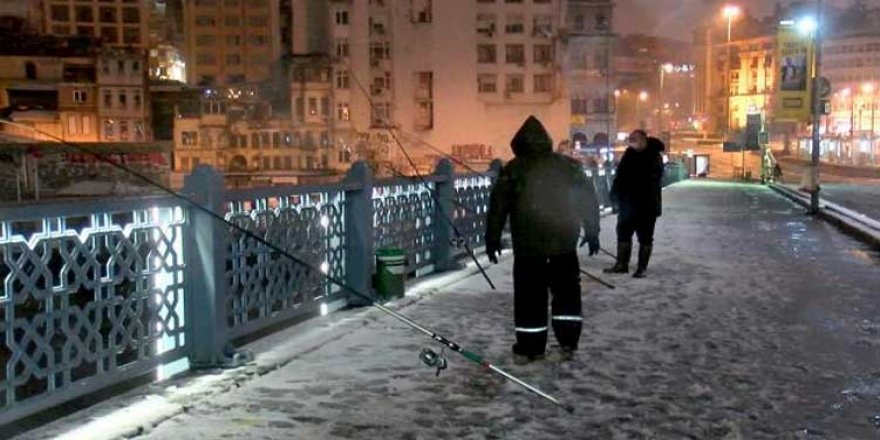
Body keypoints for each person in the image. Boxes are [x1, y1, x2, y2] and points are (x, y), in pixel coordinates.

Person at [485, 116, 601, 364]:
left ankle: (530, 346)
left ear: (519, 143)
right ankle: (569, 340)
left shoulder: (513, 170)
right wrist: (592, 232)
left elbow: (498, 208)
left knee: (529, 298)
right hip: (564, 244)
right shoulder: (569, 167)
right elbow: (588, 200)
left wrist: (491, 239)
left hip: (528, 249)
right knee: (567, 294)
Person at [604, 130, 664, 278]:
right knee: (623, 233)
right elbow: (620, 176)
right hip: (627, 203)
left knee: (645, 236)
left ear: (644, 139)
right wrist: (615, 194)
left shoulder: (654, 156)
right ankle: (621, 264)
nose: (632, 141)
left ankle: (641, 267)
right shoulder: (628, 155)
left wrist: (632, 182)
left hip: (646, 204)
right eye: (631, 139)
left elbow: (652, 179)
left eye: (635, 139)